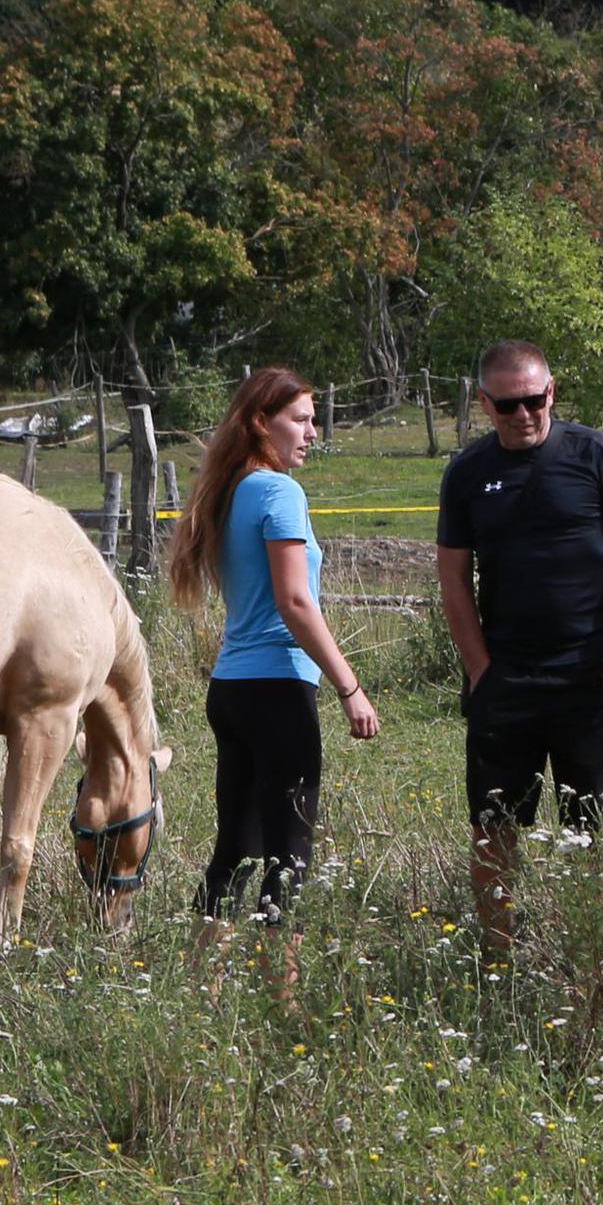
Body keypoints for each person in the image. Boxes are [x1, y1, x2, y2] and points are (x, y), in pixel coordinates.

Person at [432, 339, 603, 952]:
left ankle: (595, 954)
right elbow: (453, 578)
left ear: (552, 391)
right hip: (508, 682)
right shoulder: (468, 475)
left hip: (591, 679)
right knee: (495, 828)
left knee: (596, 828)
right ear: (485, 404)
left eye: (534, 400)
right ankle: (498, 956)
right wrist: (480, 669)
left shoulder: (596, 455)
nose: (524, 414)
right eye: (508, 406)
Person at [171, 367, 378, 926]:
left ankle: (203, 983)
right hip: (278, 689)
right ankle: (279, 994)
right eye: (301, 420)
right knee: (289, 854)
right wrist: (349, 687)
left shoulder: (231, 490)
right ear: (262, 422)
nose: (313, 433)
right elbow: (296, 602)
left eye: (315, 421)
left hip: (231, 689)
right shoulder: (279, 491)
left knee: (235, 848)